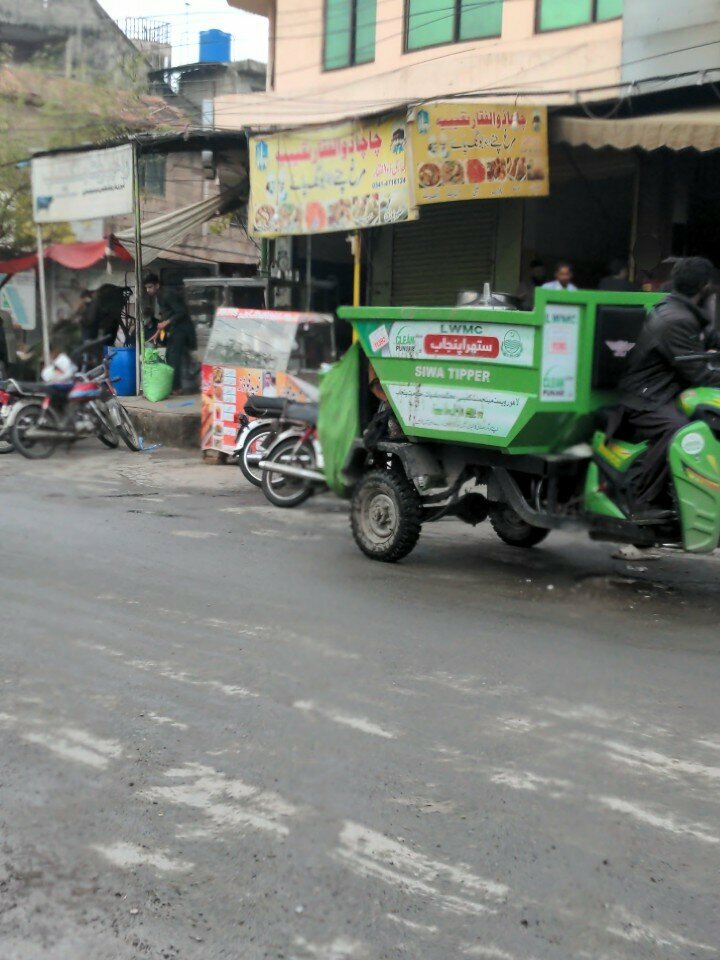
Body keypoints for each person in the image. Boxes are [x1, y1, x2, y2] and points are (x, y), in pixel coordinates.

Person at [616, 256, 720, 508]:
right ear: (705, 287)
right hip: (645, 397)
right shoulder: (677, 319)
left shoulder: (686, 312)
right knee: (681, 432)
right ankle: (644, 500)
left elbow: (711, 342)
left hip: (666, 390)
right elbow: (699, 374)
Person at [144, 272, 197, 393]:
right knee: (170, 356)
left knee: (174, 358)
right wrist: (158, 331)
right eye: (146, 288)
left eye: (150, 287)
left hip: (181, 329)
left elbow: (181, 312)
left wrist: (165, 323)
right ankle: (176, 386)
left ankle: (176, 388)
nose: (148, 290)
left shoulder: (168, 295)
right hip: (173, 329)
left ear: (157, 285)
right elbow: (166, 314)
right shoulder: (159, 296)